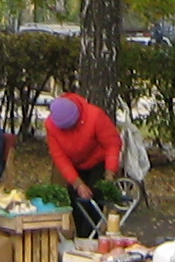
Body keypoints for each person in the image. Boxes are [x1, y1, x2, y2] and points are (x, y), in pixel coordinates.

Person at [45, 92, 122, 239]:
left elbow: (112, 144)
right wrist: (77, 183)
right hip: (75, 165)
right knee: (75, 200)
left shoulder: (95, 116)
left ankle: (91, 238)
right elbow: (60, 157)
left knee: (95, 196)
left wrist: (110, 172)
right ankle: (80, 238)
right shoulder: (51, 126)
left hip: (98, 161)